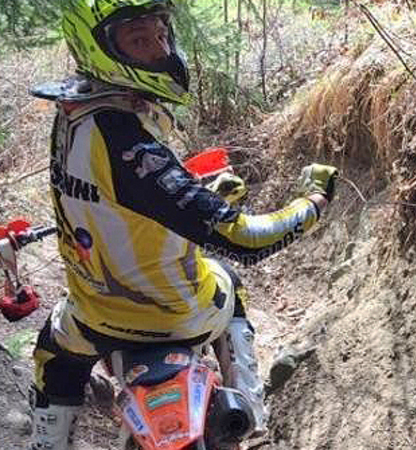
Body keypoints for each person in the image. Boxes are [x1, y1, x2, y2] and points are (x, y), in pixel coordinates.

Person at [28, 1, 337, 449]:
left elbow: (118, 202)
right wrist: (313, 203)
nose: (159, 51)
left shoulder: (73, 113)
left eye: (160, 35)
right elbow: (246, 240)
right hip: (176, 318)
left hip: (94, 316)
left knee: (52, 356)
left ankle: (46, 442)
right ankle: (250, 418)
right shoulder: (130, 143)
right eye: (138, 40)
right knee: (229, 283)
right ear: (100, 49)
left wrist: (197, 194)